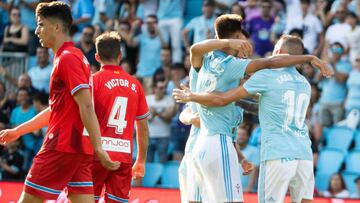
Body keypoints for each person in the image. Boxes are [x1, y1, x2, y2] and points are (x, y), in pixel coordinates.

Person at [174, 13, 332, 202]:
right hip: (297, 151)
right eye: (242, 40)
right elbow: (245, 95)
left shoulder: (204, 63)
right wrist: (309, 58)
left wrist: (193, 98)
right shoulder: (303, 84)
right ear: (235, 39)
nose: (246, 47)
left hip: (200, 146)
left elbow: (222, 96)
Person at [0, 2, 118, 203]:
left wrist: (99, 147)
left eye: (41, 24)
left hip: (60, 146)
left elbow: (86, 105)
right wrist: (18, 131)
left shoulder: (67, 58)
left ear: (56, 27)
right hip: (78, 149)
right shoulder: (76, 56)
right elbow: (56, 110)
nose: (37, 30)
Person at [91, 31, 150, 203]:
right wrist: (140, 160)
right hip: (123, 155)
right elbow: (143, 127)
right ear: (120, 55)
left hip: (96, 154)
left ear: (96, 57)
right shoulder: (135, 84)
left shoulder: (93, 81)